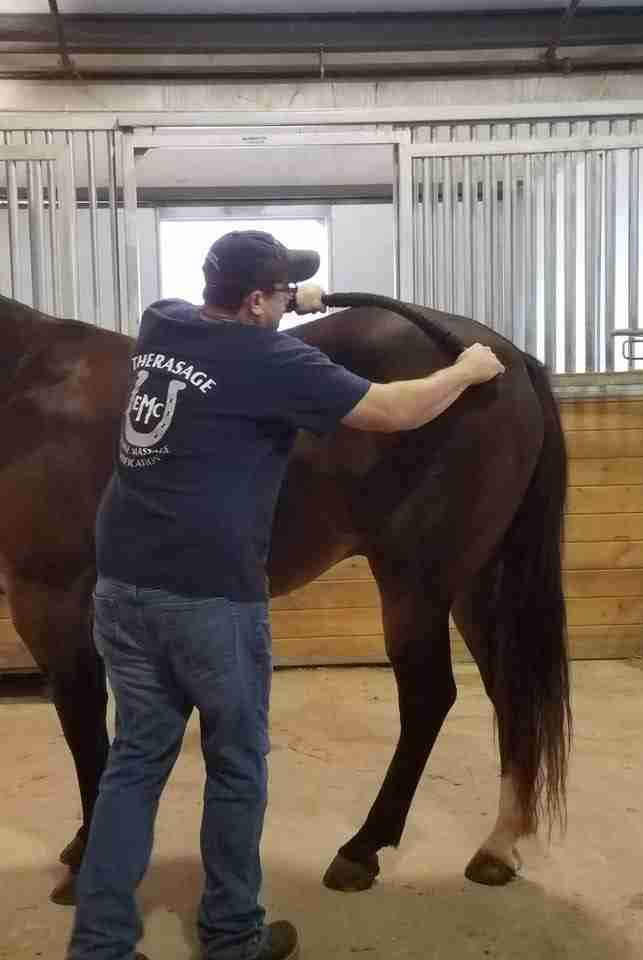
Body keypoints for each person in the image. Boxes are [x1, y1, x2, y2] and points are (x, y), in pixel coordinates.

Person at [66, 230, 505, 960]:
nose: (284, 302)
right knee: (236, 766)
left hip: (121, 589)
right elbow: (396, 410)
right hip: (210, 601)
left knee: (136, 762)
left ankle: (102, 944)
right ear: (255, 301)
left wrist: (291, 302)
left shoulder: (160, 322)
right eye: (278, 292)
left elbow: (236, 320)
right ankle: (233, 937)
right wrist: (465, 370)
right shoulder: (270, 361)